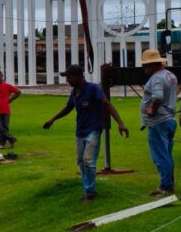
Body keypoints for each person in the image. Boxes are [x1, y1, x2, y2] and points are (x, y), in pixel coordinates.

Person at [42, 64, 130, 203]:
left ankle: (90, 192)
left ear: (78, 76)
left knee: (89, 161)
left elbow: (107, 104)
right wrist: (53, 119)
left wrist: (120, 123)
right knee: (81, 161)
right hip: (80, 131)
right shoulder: (74, 92)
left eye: (69, 77)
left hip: (94, 129)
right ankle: (87, 188)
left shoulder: (93, 89)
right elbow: (68, 107)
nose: (67, 80)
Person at [140, 49, 178, 196]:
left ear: (152, 64)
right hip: (169, 119)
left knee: (160, 156)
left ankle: (166, 186)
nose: (144, 68)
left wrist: (151, 110)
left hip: (158, 121)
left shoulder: (156, 78)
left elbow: (158, 96)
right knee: (167, 154)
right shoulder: (170, 75)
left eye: (145, 65)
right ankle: (169, 183)